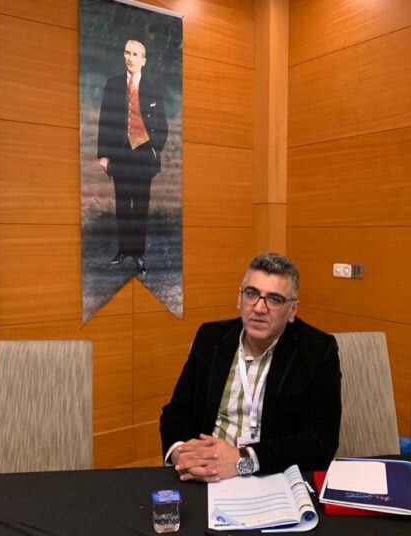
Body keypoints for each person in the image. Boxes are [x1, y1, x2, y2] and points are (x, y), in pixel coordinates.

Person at [160, 253, 342, 482]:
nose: (259, 308)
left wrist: (242, 459)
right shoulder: (210, 338)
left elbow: (321, 441)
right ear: (240, 298)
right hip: (207, 473)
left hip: (271, 476)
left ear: (292, 311)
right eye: (252, 294)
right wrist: (181, 453)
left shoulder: (317, 350)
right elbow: (177, 411)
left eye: (274, 299)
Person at [97, 39, 168, 276]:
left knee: (140, 205)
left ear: (143, 61)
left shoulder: (153, 88)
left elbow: (163, 125)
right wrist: (104, 155)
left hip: (144, 153)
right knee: (121, 204)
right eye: (127, 52)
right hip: (119, 152)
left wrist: (154, 150)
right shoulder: (112, 84)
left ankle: (138, 253)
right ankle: (123, 250)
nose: (130, 57)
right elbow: (104, 121)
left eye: (135, 54)